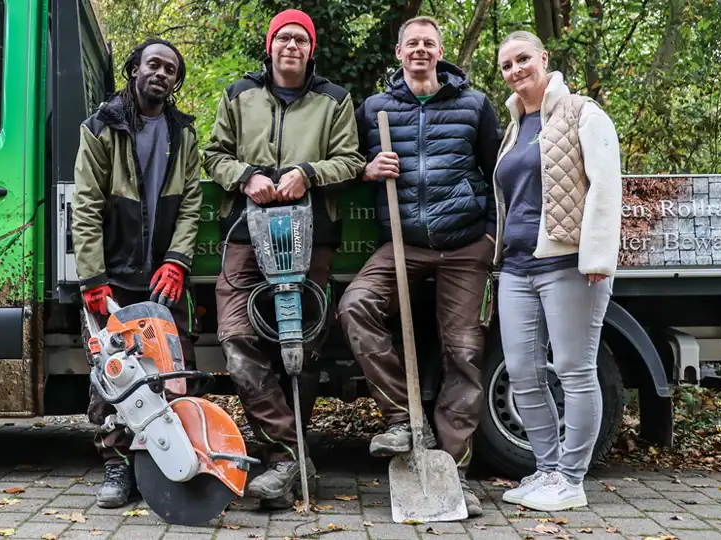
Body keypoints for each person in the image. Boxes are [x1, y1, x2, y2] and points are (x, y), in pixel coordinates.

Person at [338, 16, 502, 517]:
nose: (420, 50)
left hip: (465, 245)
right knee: (355, 305)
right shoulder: (375, 109)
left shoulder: (474, 105)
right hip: (404, 243)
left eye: (429, 43)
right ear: (399, 52)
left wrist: (491, 235)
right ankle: (402, 420)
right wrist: (368, 169)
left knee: (464, 352)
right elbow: (344, 162)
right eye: (412, 43)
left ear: (440, 51)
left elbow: (499, 172)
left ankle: (452, 473)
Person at [202, 9, 365, 506]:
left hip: (310, 236)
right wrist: (246, 176)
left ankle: (281, 463)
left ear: (310, 49)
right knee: (237, 338)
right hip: (244, 235)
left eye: (300, 39)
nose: (291, 46)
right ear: (270, 45)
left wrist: (308, 173)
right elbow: (214, 154)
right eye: (283, 38)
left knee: (303, 348)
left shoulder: (334, 100)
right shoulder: (238, 94)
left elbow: (352, 159)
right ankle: (290, 454)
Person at [491, 30, 622, 512]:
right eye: (506, 65)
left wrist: (598, 258)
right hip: (516, 266)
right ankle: (546, 470)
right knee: (524, 373)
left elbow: (606, 184)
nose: (515, 70)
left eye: (522, 59)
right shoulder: (514, 124)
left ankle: (571, 479)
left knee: (574, 370)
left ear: (543, 58)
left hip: (568, 263)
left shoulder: (582, 112)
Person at [71, 38, 203, 509]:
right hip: (113, 275)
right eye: (154, 64)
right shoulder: (100, 128)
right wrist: (92, 279)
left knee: (176, 369)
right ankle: (116, 464)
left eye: (170, 69)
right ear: (134, 69)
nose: (161, 74)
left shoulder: (183, 134)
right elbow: (86, 206)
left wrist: (178, 260)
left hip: (164, 277)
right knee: (113, 372)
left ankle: (176, 463)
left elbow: (190, 205)